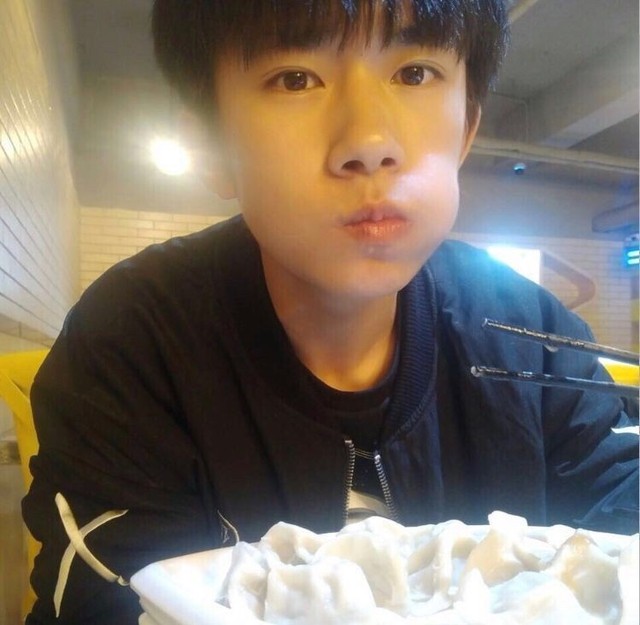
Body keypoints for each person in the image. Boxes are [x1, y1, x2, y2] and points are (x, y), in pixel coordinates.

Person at [22, 1, 638, 623]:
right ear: (211, 146)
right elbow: (113, 604)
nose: (369, 144)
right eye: (295, 78)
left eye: (415, 73)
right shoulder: (134, 341)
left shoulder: (531, 333)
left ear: (466, 129)